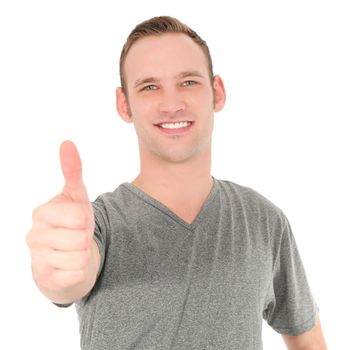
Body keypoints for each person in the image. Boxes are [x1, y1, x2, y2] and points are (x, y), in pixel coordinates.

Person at [26, 16, 327, 349]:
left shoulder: (263, 221)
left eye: (187, 82)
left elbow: (308, 339)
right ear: (124, 105)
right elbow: (70, 279)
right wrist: (59, 269)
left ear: (217, 93)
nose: (171, 104)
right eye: (150, 86)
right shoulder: (100, 225)